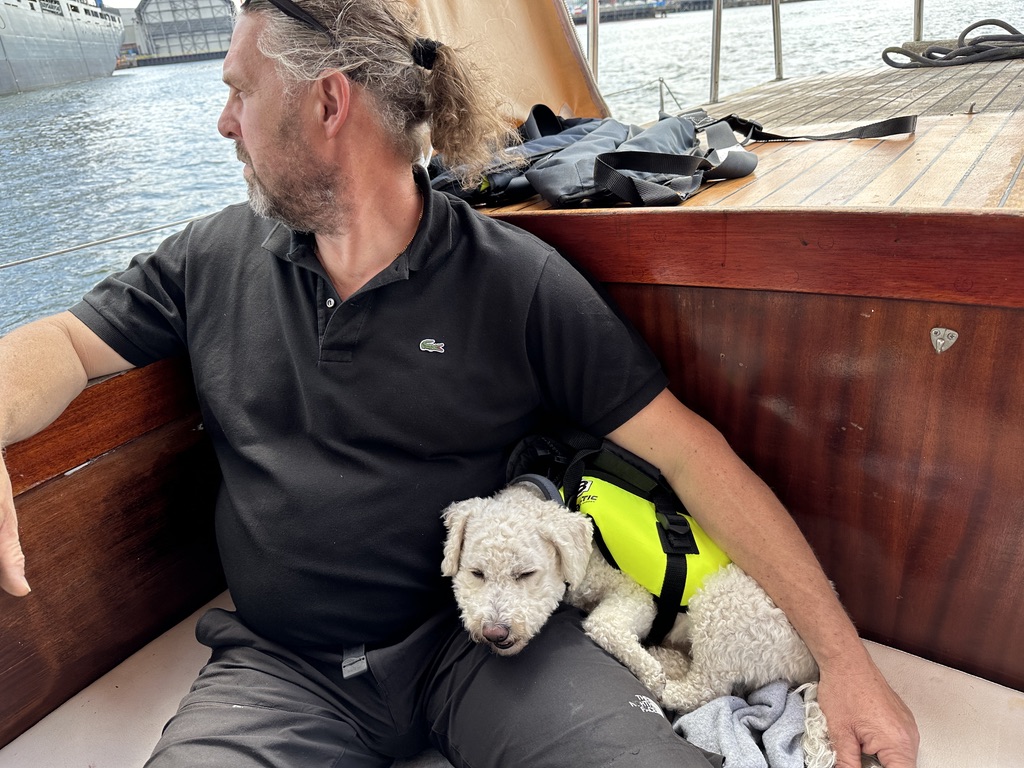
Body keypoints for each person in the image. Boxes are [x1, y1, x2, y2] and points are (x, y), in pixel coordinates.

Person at [0, 1, 919, 766]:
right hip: (282, 670)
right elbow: (65, 344)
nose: (224, 122)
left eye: (240, 90)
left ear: (328, 102)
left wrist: (845, 664)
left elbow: (690, 455)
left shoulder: (516, 284)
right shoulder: (207, 259)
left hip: (487, 647)